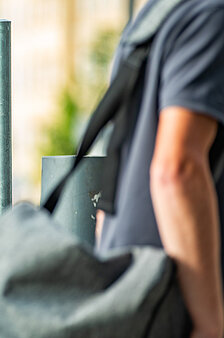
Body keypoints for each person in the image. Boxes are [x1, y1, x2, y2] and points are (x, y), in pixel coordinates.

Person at [95, 0, 224, 337]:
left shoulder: (153, 17)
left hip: (131, 288)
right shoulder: (212, 16)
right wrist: (209, 324)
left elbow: (113, 177)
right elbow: (177, 170)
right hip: (182, 298)